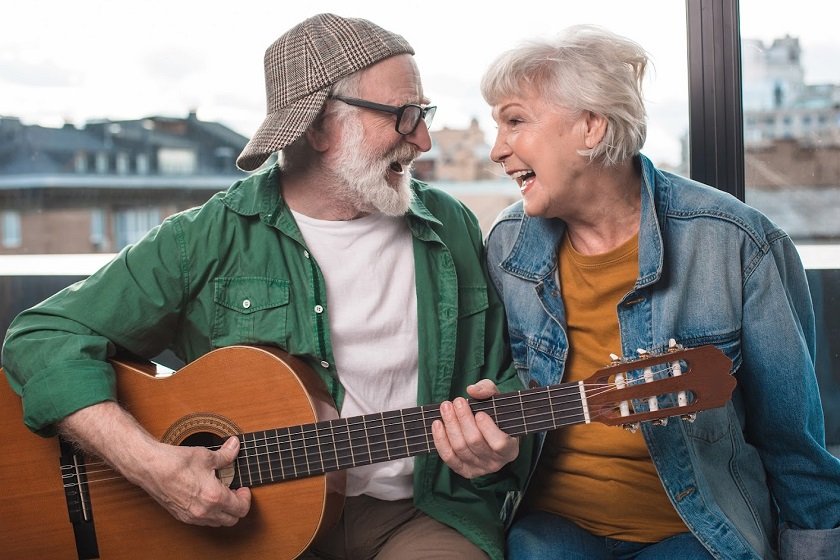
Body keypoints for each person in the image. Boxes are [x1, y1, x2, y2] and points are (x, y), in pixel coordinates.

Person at [1, 13, 529, 560]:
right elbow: (40, 337)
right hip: (249, 521)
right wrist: (150, 466)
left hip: (417, 514)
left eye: (424, 114)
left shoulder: (452, 226)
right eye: (404, 115)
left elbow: (505, 377)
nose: (422, 139)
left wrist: (504, 439)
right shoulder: (206, 237)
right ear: (320, 126)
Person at [480, 24, 840, 560]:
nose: (496, 150)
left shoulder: (738, 243)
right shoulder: (508, 243)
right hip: (552, 522)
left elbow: (794, 441)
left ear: (591, 128)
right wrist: (487, 436)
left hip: (698, 528)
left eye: (515, 121)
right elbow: (502, 411)